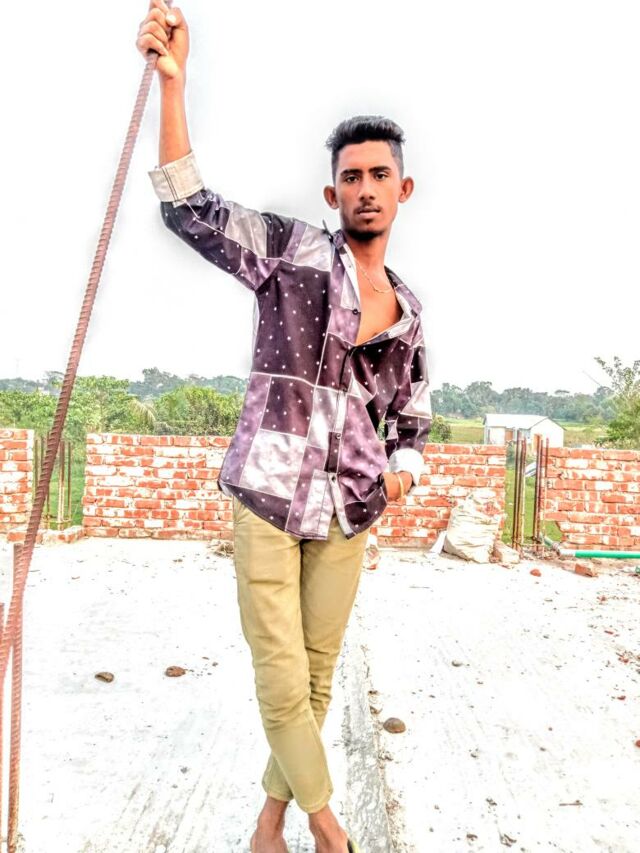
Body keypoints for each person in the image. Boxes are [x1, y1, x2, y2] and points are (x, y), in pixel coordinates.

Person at [137, 3, 432, 851]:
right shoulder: (292, 253)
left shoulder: (409, 311)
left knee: (317, 674)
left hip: (350, 508)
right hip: (268, 491)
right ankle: (329, 827)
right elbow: (190, 209)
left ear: (402, 189)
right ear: (332, 192)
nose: (366, 188)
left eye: (380, 174)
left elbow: (412, 415)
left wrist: (403, 468)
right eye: (352, 176)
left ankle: (268, 824)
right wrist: (174, 84)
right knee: (280, 672)